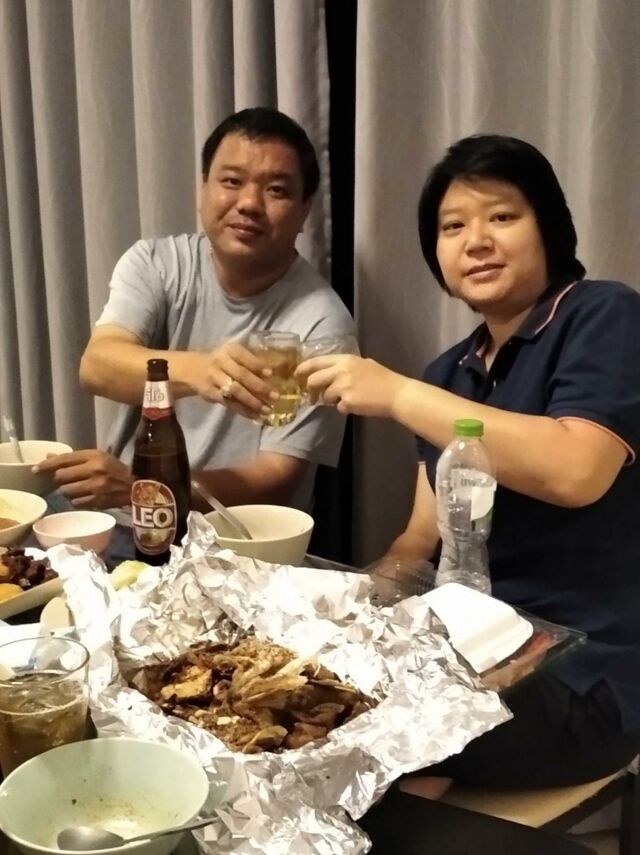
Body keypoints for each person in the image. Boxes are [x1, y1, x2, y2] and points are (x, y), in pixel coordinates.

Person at [298, 135, 640, 793]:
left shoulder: (605, 314)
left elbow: (578, 469)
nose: (476, 241)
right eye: (453, 227)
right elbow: (420, 537)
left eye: (502, 217)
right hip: (467, 652)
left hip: (585, 674)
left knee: (336, 731)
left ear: (549, 228)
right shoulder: (448, 372)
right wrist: (358, 605)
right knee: (295, 682)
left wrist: (397, 394)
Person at [37, 108, 354, 522]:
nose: (249, 204)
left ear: (305, 209)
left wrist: (145, 486)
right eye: (231, 181)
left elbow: (276, 478)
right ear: (202, 189)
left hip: (234, 538)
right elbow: (97, 366)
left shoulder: (322, 323)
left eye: (276, 190)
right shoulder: (158, 264)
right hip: (123, 518)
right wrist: (202, 373)